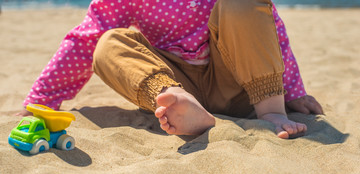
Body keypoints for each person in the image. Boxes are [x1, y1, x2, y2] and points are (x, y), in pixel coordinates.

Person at [18, 0, 323, 139]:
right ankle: (175, 101)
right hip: (175, 82)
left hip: (239, 83)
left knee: (246, 3)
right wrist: (42, 100)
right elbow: (86, 39)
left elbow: (265, 25)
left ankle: (271, 111)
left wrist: (292, 91)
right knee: (108, 43)